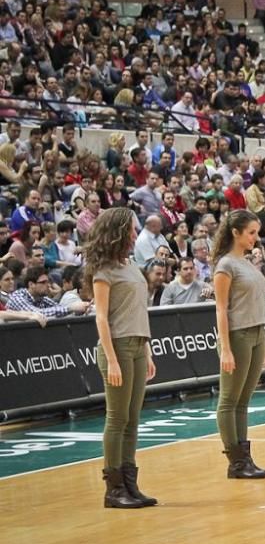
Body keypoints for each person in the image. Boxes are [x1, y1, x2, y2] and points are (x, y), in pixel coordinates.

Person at [83, 208, 158, 509]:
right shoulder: (103, 270)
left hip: (139, 346)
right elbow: (101, 318)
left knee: (133, 419)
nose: (134, 233)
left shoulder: (132, 266)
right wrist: (112, 359)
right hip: (117, 347)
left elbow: (139, 312)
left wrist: (148, 350)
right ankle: (113, 489)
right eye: (131, 228)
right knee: (117, 418)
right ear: (118, 230)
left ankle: (130, 483)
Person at [212, 210, 265, 480]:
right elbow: (221, 309)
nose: (255, 238)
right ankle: (235, 461)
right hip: (236, 335)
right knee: (229, 400)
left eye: (257, 232)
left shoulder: (248, 263)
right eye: (251, 232)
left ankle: (245, 458)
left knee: (243, 400)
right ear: (235, 232)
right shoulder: (226, 265)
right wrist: (225, 348)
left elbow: (257, 305)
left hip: (256, 334)